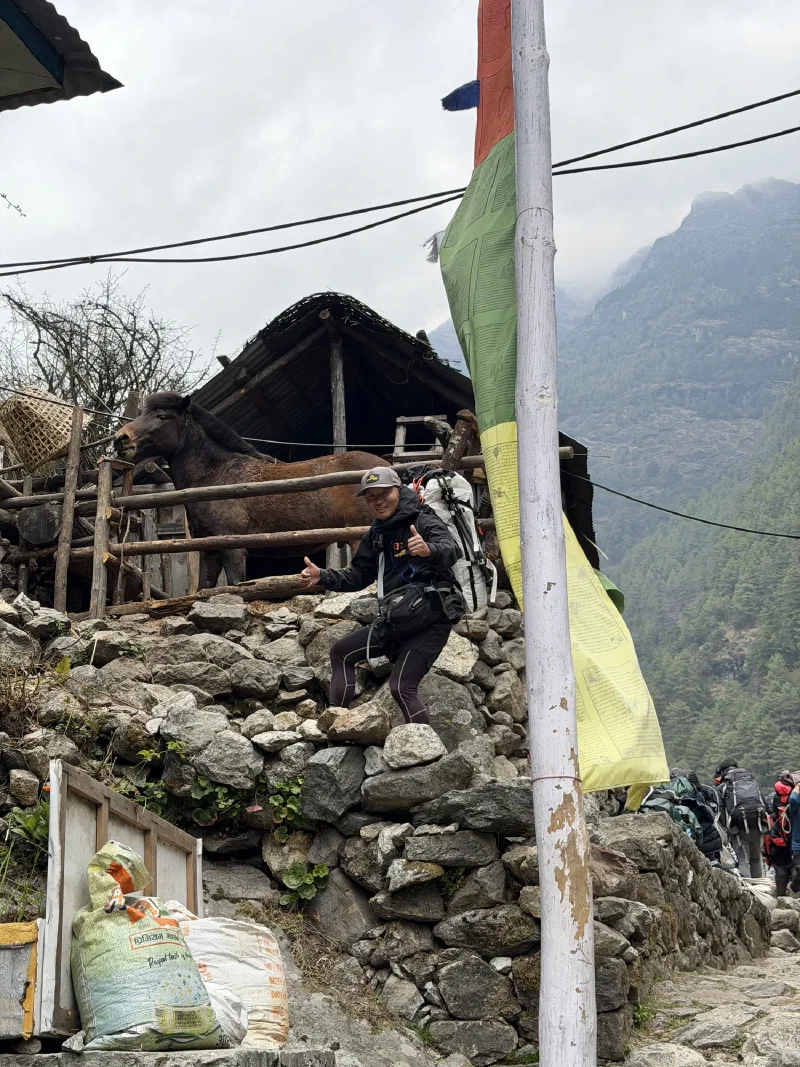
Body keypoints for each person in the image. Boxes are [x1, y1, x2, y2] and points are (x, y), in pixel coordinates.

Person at [300, 466, 462, 725]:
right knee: (341, 653)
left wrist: (428, 549)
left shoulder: (423, 519)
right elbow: (358, 575)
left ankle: (427, 754)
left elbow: (452, 550)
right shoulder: (376, 534)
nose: (378, 501)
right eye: (371, 497)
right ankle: (335, 728)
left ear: (398, 490)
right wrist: (323, 576)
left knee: (402, 687)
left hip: (429, 622)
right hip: (394, 620)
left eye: (384, 493)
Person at [715, 759, 767, 879]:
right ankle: (760, 886)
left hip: (737, 829)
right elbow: (763, 803)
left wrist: (726, 828)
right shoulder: (751, 782)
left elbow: (721, 810)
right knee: (755, 858)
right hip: (757, 824)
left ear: (723, 771)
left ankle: (748, 890)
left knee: (742, 858)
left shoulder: (724, 786)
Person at [767, 771, 797, 896]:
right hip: (795, 837)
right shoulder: (795, 793)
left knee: (780, 866)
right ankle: (795, 893)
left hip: (780, 836)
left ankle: (780, 896)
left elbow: (773, 811)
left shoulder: (777, 795)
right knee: (795, 865)